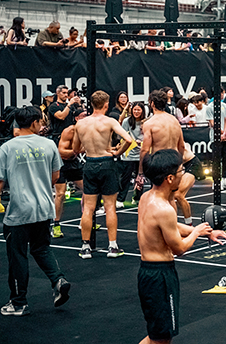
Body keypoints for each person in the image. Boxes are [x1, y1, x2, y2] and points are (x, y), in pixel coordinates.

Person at [137, 149, 226, 344]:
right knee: (162, 338)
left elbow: (171, 226)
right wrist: (196, 233)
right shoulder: (164, 209)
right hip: (160, 277)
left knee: (157, 335)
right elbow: (179, 249)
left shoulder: (147, 198)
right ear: (170, 178)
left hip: (148, 273)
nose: (183, 174)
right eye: (181, 171)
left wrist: (206, 232)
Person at [0, 106, 71, 316]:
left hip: (19, 210)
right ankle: (58, 279)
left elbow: (0, 183)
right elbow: (55, 176)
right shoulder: (49, 144)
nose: (42, 124)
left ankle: (18, 302)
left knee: (18, 256)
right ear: (33, 123)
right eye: (40, 121)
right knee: (41, 248)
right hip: (44, 207)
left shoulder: (7, 148)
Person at [73, 91, 133, 259]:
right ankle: (112, 247)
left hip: (90, 163)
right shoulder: (110, 121)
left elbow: (76, 149)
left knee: (88, 208)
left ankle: (85, 247)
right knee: (110, 207)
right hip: (107, 163)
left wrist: (89, 148)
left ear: (92, 104)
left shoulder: (81, 124)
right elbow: (128, 140)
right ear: (106, 105)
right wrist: (117, 152)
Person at [53, 110, 88, 238]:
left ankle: (85, 221)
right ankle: (56, 225)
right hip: (61, 164)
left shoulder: (87, 130)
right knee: (60, 194)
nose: (86, 118)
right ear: (77, 118)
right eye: (83, 116)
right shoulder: (70, 131)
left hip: (73, 164)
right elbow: (61, 151)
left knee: (89, 191)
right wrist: (77, 151)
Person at [118, 103, 146, 205]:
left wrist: (141, 142)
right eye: (134, 110)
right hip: (128, 155)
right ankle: (120, 199)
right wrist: (132, 141)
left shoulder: (146, 122)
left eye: (138, 110)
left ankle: (138, 198)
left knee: (140, 178)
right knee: (125, 178)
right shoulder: (127, 121)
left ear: (142, 111)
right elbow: (123, 135)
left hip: (141, 154)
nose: (136, 112)